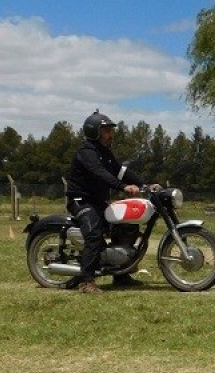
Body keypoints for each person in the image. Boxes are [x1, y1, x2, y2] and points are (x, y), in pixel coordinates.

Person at [65, 111, 152, 293]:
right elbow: (100, 173)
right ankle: (87, 281)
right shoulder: (86, 153)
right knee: (94, 234)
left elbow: (121, 171)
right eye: (106, 131)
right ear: (94, 132)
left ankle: (120, 275)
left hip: (99, 202)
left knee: (127, 225)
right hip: (81, 201)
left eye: (110, 131)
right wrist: (123, 187)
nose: (110, 135)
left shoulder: (105, 153)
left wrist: (145, 184)